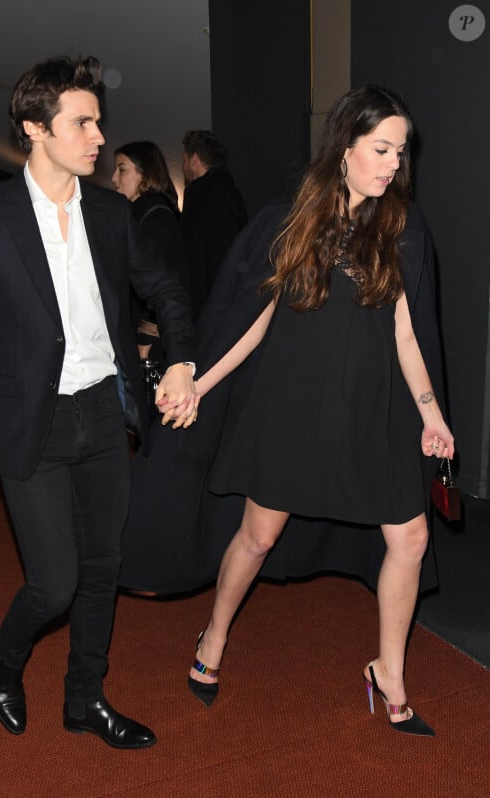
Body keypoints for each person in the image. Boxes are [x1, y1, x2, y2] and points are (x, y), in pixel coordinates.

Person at [0, 55, 198, 750]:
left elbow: (164, 288)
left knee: (104, 572)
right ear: (34, 129)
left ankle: (86, 700)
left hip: (105, 415)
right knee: (53, 585)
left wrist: (184, 357)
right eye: (82, 123)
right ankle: (5, 655)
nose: (98, 137)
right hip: (31, 423)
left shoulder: (111, 212)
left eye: (99, 123)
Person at [182, 85, 453, 736]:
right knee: (259, 535)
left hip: (375, 407)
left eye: (401, 152)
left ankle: (388, 671)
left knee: (411, 538)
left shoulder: (400, 225)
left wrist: (432, 414)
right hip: (296, 405)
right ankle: (213, 635)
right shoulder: (296, 218)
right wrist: (200, 381)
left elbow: (406, 334)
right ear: (345, 147)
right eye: (382, 149)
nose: (393, 164)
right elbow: (254, 318)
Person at [111, 140, 187, 363]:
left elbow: (164, 281)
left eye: (122, 169)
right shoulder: (140, 215)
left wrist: (145, 339)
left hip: (149, 344)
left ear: (143, 174)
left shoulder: (156, 218)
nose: (114, 177)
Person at [181, 130, 247, 320]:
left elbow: (216, 259)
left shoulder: (209, 196)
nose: (183, 166)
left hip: (212, 310)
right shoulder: (224, 191)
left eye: (184, 159)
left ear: (194, 160)